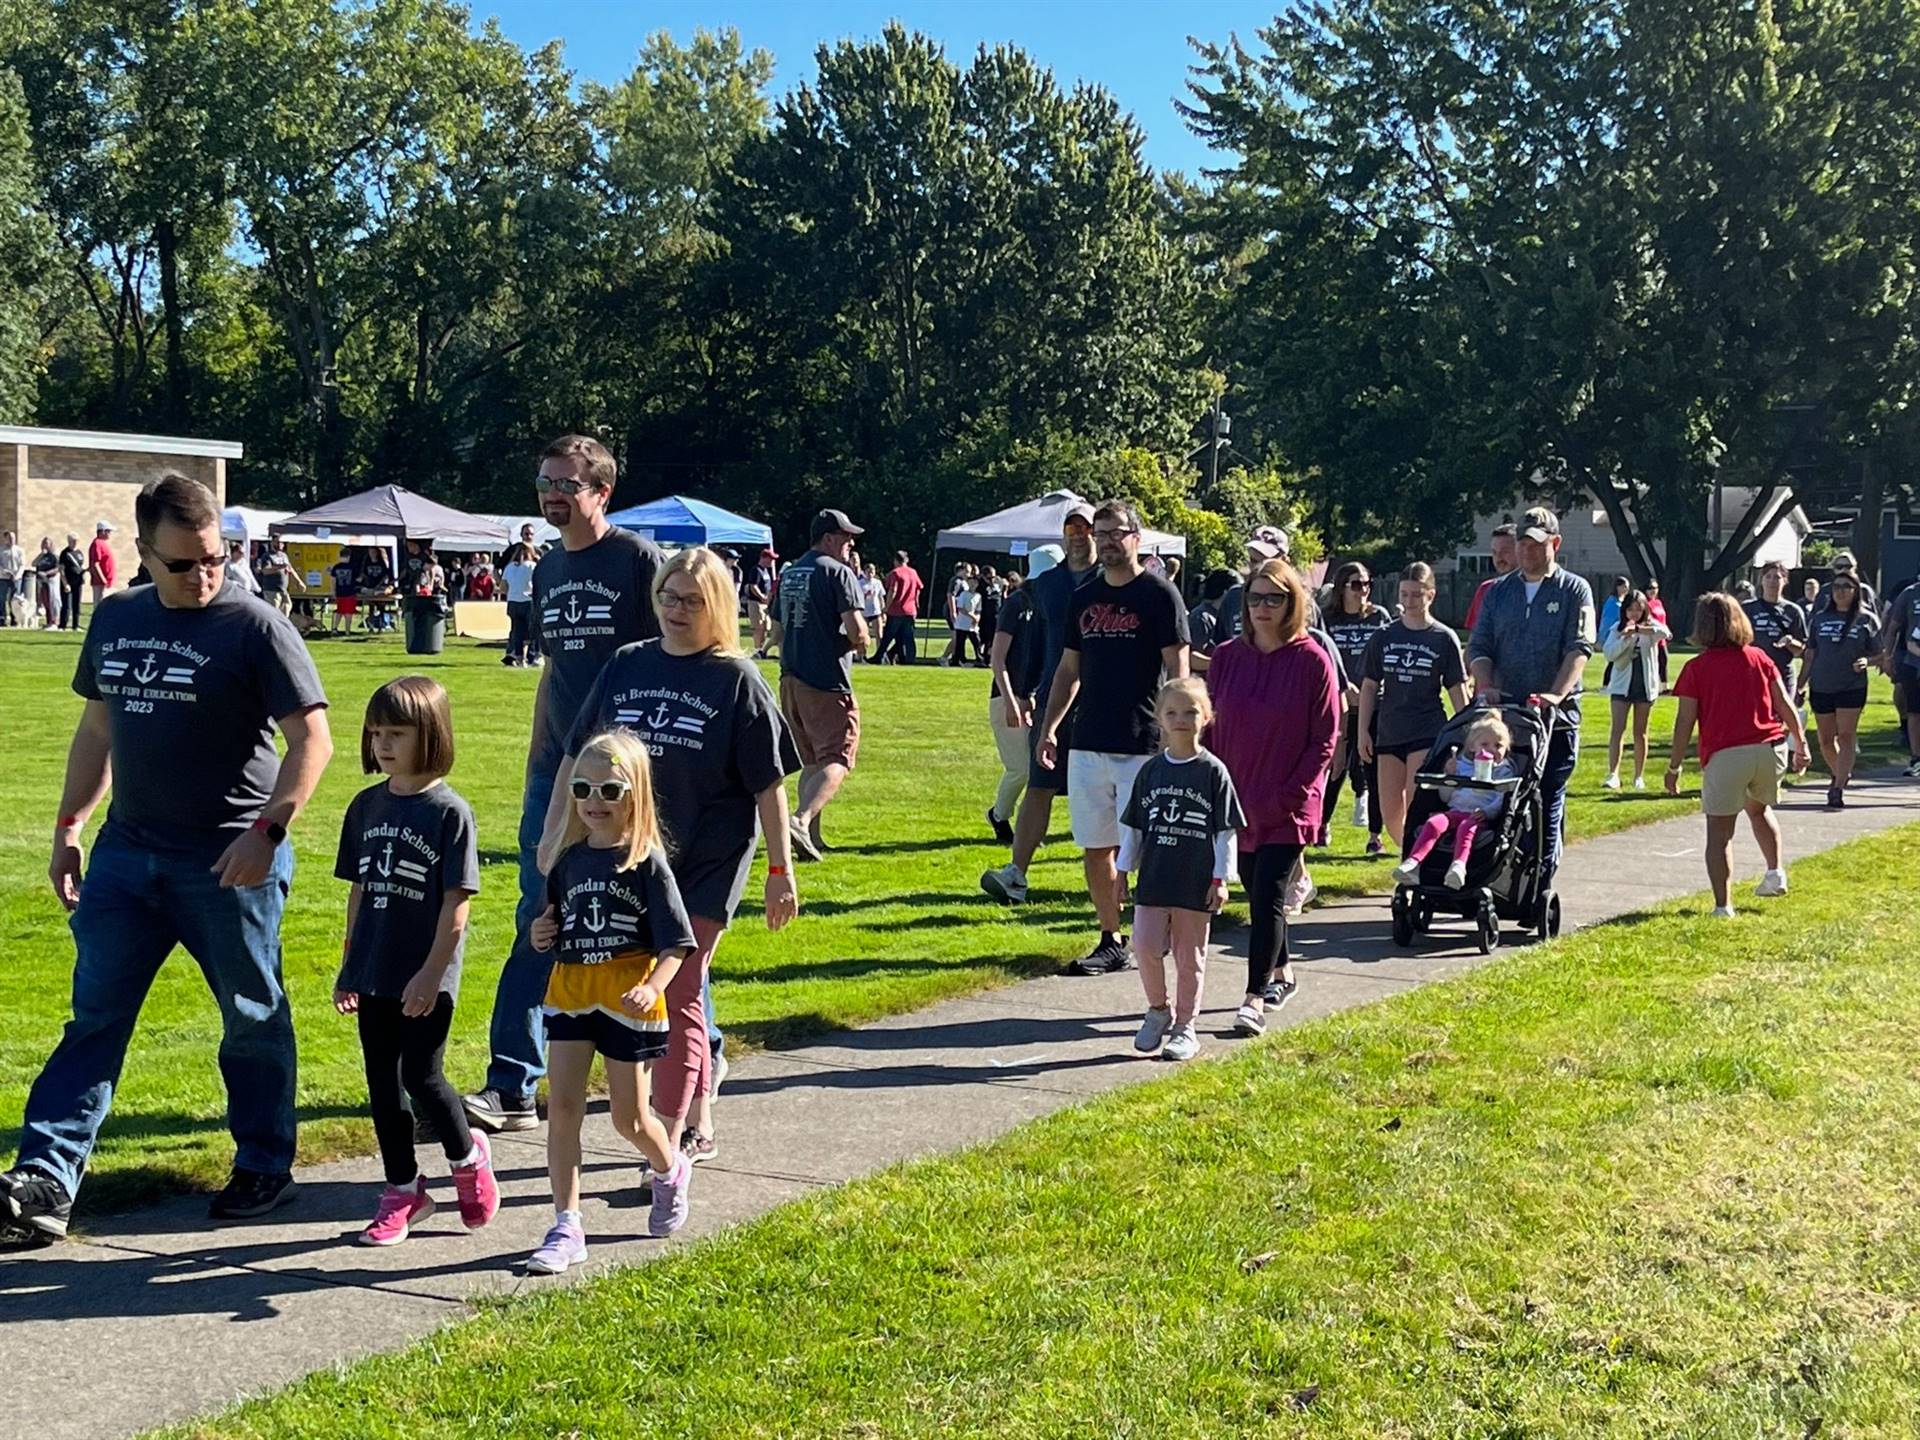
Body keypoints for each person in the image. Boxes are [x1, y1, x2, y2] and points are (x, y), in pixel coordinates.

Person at [0, 474, 332, 1245]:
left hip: (227, 858)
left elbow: (311, 739)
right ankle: (47, 1182)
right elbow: (97, 730)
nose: (204, 575)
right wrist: (69, 825)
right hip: (128, 854)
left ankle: (263, 1164)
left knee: (252, 1016)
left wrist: (268, 833)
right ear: (143, 553)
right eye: (183, 564)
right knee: (95, 1019)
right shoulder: (115, 619)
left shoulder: (254, 627)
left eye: (215, 557)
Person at [544, 547, 800, 1165]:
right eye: (667, 596)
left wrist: (779, 870)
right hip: (625, 857)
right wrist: (556, 838)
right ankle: (697, 1102)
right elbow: (577, 757)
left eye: (691, 600)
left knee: (678, 985)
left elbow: (768, 784)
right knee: (649, 983)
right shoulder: (626, 664)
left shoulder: (737, 679)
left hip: (708, 858)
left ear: (717, 606)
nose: (675, 610)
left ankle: (669, 1137)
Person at [463, 434, 663, 1136]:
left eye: (567, 485)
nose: (552, 494)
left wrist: (642, 764)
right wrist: (538, 760)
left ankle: (691, 1065)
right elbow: (554, 670)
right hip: (560, 771)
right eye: (544, 483)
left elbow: (661, 656)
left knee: (643, 916)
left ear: (600, 493)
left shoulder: (637, 561)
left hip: (624, 770)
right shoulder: (546, 569)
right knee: (540, 911)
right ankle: (512, 1083)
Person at [331, 676, 497, 1246]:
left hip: (425, 972)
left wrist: (431, 973)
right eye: (375, 732)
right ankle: (404, 1189)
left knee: (421, 1076)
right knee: (382, 1082)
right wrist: (350, 965)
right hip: (374, 970)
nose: (381, 744)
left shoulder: (450, 813)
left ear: (429, 734)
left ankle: (468, 1160)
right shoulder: (365, 806)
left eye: (395, 733)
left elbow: (457, 906)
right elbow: (358, 891)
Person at [526, 730, 697, 1272]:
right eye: (582, 789)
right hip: (573, 989)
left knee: (629, 1118)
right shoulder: (568, 860)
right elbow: (552, 921)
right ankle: (566, 1224)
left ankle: (668, 1168)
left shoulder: (645, 862)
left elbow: (677, 943)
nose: (594, 802)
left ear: (636, 794)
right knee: (563, 1111)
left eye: (609, 790)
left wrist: (653, 986)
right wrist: (540, 933)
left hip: (628, 995)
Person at [1034, 499, 1190, 974]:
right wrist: (1050, 728)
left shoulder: (1160, 595)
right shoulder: (1083, 597)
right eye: (1098, 534)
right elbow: (1068, 669)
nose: (1105, 542)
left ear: (1136, 538)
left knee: (1152, 843)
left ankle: (1158, 928)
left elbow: (1177, 666)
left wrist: (1176, 731)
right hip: (1089, 740)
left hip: (1143, 739)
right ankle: (1111, 938)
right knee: (1096, 844)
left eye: (1115, 533)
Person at [1206, 558, 1338, 1035]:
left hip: (1288, 803)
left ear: (1292, 603)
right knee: (1255, 888)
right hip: (1236, 800)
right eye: (1255, 597)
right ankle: (1283, 972)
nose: (1263, 607)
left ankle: (1253, 998)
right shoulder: (1226, 657)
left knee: (1267, 896)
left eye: (1274, 598)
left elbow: (1325, 738)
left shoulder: (1311, 660)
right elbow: (1211, 726)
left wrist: (1293, 793)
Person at [1466, 506, 1594, 880]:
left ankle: (1541, 879)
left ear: (1554, 543)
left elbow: (1579, 648)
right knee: (1503, 798)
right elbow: (1479, 646)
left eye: (1536, 543)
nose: (1526, 550)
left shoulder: (1573, 590)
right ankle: (1495, 875)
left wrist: (1556, 694)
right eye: (1522, 542)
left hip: (1555, 719)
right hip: (1506, 718)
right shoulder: (1497, 593)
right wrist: (1487, 686)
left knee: (1548, 797)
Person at [1119, 678, 1244, 1062]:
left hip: (1195, 882)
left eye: (1191, 712)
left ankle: (1185, 1026)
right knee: (1144, 945)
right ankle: (1158, 1009)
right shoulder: (1151, 772)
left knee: (1190, 956)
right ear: (1159, 719)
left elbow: (1225, 832)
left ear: (1205, 717)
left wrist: (1220, 879)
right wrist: (1122, 873)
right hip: (1154, 880)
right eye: (1172, 712)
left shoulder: (1213, 772)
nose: (1181, 719)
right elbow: (1135, 828)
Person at [980, 506, 1098, 904]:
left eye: (1086, 528)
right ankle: (1016, 875)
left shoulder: (1114, 581)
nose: (1079, 535)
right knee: (1039, 785)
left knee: (1108, 792)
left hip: (1105, 701)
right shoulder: (1047, 585)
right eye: (1072, 528)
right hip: (1053, 700)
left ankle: (1120, 881)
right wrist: (1027, 692)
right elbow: (1033, 647)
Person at [1665, 593, 1810, 915]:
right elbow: (1784, 704)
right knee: (1758, 810)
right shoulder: (1759, 657)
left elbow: (1684, 722)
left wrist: (1674, 767)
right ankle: (1775, 872)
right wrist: (1800, 742)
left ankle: (1723, 905)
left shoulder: (1696, 668)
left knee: (1719, 833)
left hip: (1726, 753)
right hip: (1769, 750)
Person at [771, 509, 868, 862]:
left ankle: (811, 838)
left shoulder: (791, 572)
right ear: (828, 538)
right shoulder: (838, 573)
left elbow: (777, 631)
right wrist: (861, 640)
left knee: (810, 760)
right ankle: (801, 820)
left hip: (791, 678)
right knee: (838, 757)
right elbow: (857, 631)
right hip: (827, 682)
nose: (851, 542)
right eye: (846, 536)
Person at [1357, 564, 1468, 846]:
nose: (1409, 601)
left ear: (1431, 595)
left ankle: (1417, 862)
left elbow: (1457, 688)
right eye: (1404, 594)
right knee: (1390, 811)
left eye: (1417, 595)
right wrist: (1362, 733)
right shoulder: (1384, 635)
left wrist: (1466, 733)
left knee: (1416, 803)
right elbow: (1369, 686)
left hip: (1426, 730)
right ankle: (1411, 856)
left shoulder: (1443, 638)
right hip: (1389, 731)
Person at [1391, 711, 1518, 890]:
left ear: (1506, 749)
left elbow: (1501, 800)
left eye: (1498, 745)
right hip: (1455, 811)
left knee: (1467, 828)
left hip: (1479, 816)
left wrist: (1487, 812)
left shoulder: (1504, 771)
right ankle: (1413, 863)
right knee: (1434, 823)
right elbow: (1445, 797)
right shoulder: (1460, 765)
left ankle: (1459, 866)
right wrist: (1449, 776)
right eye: (1485, 744)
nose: (1491, 749)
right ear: (1472, 747)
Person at [1320, 560, 1389, 851]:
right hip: (1339, 704)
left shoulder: (1378, 618)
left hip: (1374, 704)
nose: (1363, 590)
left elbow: (1389, 654)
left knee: (1374, 771)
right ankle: (1320, 825)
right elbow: (1322, 656)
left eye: (1367, 584)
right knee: (1335, 769)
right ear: (1341, 588)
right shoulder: (1328, 619)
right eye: (1356, 584)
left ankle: (1375, 835)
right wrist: (1341, 687)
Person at [1804, 571, 1880, 809]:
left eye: (1846, 586)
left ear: (1855, 591)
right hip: (1822, 684)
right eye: (1836, 586)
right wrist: (1801, 682)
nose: (1840, 591)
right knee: (1826, 740)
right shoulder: (1819, 619)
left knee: (1845, 735)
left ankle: (1836, 788)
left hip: (1851, 685)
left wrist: (1868, 662)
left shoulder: (1866, 619)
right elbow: (1810, 653)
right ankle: (1841, 773)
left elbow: (1881, 654)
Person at [985, 560, 1043, 845]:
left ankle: (1025, 827)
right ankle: (998, 815)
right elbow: (997, 658)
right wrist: (1010, 701)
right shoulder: (1017, 604)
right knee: (1021, 768)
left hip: (1031, 698)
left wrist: (1031, 697)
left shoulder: (1048, 604)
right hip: (1006, 696)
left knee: (1039, 771)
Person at [1601, 589, 1670, 790]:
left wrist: (1641, 630)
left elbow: (1666, 633)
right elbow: (1610, 654)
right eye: (1630, 610)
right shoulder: (1617, 629)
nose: (1634, 614)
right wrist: (1626, 639)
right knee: (1617, 730)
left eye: (1638, 610)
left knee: (1640, 732)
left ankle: (1638, 775)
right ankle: (1613, 774)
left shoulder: (1650, 628)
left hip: (1645, 686)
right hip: (1622, 686)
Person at [1742, 560, 1808, 707]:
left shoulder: (1793, 611)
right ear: (1761, 580)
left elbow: (1802, 649)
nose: (1772, 581)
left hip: (1782, 673)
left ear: (1784, 581)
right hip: (1753, 673)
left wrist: (1790, 642)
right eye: (1768, 577)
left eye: (1777, 577)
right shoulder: (1748, 609)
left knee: (1783, 718)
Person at [1215, 526, 1290, 643]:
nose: (1259, 567)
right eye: (1254, 560)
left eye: (1266, 561)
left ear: (1285, 561)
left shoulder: (1301, 601)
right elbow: (1218, 648)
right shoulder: (1234, 597)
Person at [1878, 574, 1920, 776]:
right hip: (1912, 662)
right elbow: (1893, 627)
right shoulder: (1910, 593)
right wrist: (1887, 656)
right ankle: (1916, 758)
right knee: (1914, 711)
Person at [1461, 523, 1517, 632]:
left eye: (1505, 551)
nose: (1499, 558)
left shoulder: (1534, 589)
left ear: (1520, 550)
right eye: (1494, 552)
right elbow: (1475, 636)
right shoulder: (1486, 589)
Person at [877, 550, 923, 665]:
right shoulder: (913, 572)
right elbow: (918, 589)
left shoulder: (895, 573)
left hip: (896, 610)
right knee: (907, 637)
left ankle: (879, 656)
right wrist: (916, 605)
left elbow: (893, 590)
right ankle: (908, 658)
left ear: (895, 560)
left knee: (888, 635)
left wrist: (886, 607)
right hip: (910, 610)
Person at [502, 542, 537, 666]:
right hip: (527, 600)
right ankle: (532, 657)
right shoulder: (532, 566)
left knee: (517, 632)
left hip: (513, 601)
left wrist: (512, 593)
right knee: (533, 631)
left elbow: (503, 586)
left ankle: (519, 657)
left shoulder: (509, 567)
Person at [942, 574, 982, 666]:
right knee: (960, 643)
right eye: (970, 583)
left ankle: (979, 659)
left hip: (972, 625)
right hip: (961, 624)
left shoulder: (978, 596)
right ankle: (958, 660)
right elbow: (961, 608)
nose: (972, 585)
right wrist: (972, 616)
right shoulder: (964, 594)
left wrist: (976, 619)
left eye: (974, 583)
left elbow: (978, 610)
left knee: (976, 642)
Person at [745, 549, 775, 657]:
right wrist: (762, 596)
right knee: (759, 626)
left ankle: (762, 650)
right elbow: (753, 586)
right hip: (755, 603)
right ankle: (757, 650)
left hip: (765, 603)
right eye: (770, 559)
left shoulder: (766, 571)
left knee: (766, 626)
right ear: (764, 558)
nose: (772, 561)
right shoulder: (756, 570)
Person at [58, 533, 86, 630]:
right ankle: (63, 625)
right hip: (68, 582)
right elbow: (61, 569)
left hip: (78, 582)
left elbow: (80, 566)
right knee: (66, 605)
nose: (74, 543)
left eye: (76, 541)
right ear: (68, 541)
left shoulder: (79, 553)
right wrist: (65, 583)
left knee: (76, 604)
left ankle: (75, 625)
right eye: (72, 541)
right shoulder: (64, 553)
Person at [1645, 578, 1671, 685]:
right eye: (1650, 588)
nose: (1653, 591)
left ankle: (1664, 685)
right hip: (1653, 637)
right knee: (1654, 662)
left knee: (1664, 660)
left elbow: (1663, 619)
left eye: (1655, 588)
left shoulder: (1658, 602)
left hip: (1662, 637)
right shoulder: (1645, 604)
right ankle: (1656, 684)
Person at [858, 563, 887, 659]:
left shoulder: (877, 583)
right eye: (868, 571)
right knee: (863, 634)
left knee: (879, 634)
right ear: (865, 572)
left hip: (876, 611)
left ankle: (880, 655)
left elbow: (881, 597)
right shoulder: (860, 583)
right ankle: (862, 655)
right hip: (864, 612)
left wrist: (883, 612)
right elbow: (858, 598)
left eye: (872, 571)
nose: (870, 573)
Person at [257, 541, 293, 615]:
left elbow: (290, 568)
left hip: (283, 590)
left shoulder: (284, 555)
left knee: (287, 608)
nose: (280, 544)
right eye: (277, 542)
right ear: (272, 543)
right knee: (273, 613)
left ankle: (282, 626)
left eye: (282, 543)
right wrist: (280, 567)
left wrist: (299, 582)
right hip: (271, 589)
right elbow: (265, 571)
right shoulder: (267, 556)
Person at [329, 548, 360, 634]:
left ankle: (334, 628)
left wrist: (333, 592)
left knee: (339, 611)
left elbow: (332, 580)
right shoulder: (352, 567)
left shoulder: (336, 567)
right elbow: (358, 579)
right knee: (348, 612)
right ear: (349, 556)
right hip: (350, 593)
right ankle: (347, 631)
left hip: (339, 593)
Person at [87, 521, 116, 606]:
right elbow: (95, 564)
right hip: (100, 583)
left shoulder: (103, 543)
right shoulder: (97, 543)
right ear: (102, 531)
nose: (110, 533)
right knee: (100, 606)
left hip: (105, 582)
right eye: (108, 531)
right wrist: (103, 580)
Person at [32, 536, 59, 627]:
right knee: (45, 601)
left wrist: (46, 573)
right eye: (44, 543)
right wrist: (41, 554)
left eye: (47, 543)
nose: (45, 545)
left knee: (52, 601)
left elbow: (57, 568)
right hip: (42, 581)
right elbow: (34, 563)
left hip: (51, 580)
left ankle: (54, 621)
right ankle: (48, 621)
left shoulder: (54, 556)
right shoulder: (42, 556)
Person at [1597, 575, 1628, 653]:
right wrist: (1603, 639)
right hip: (1610, 637)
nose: (1627, 589)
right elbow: (1607, 623)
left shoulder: (1622, 602)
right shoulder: (1613, 604)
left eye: (1627, 587)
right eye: (1624, 586)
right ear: (1618, 587)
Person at [0, 528, 21, 626]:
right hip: (3, 578)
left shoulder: (19, 550)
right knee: (2, 598)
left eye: (13, 538)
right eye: (10, 538)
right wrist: (5, 572)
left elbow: (22, 564)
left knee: (14, 599)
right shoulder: (1, 550)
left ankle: (15, 618)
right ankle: (2, 618)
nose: (12, 539)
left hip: (16, 578)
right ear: (6, 538)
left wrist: (16, 575)